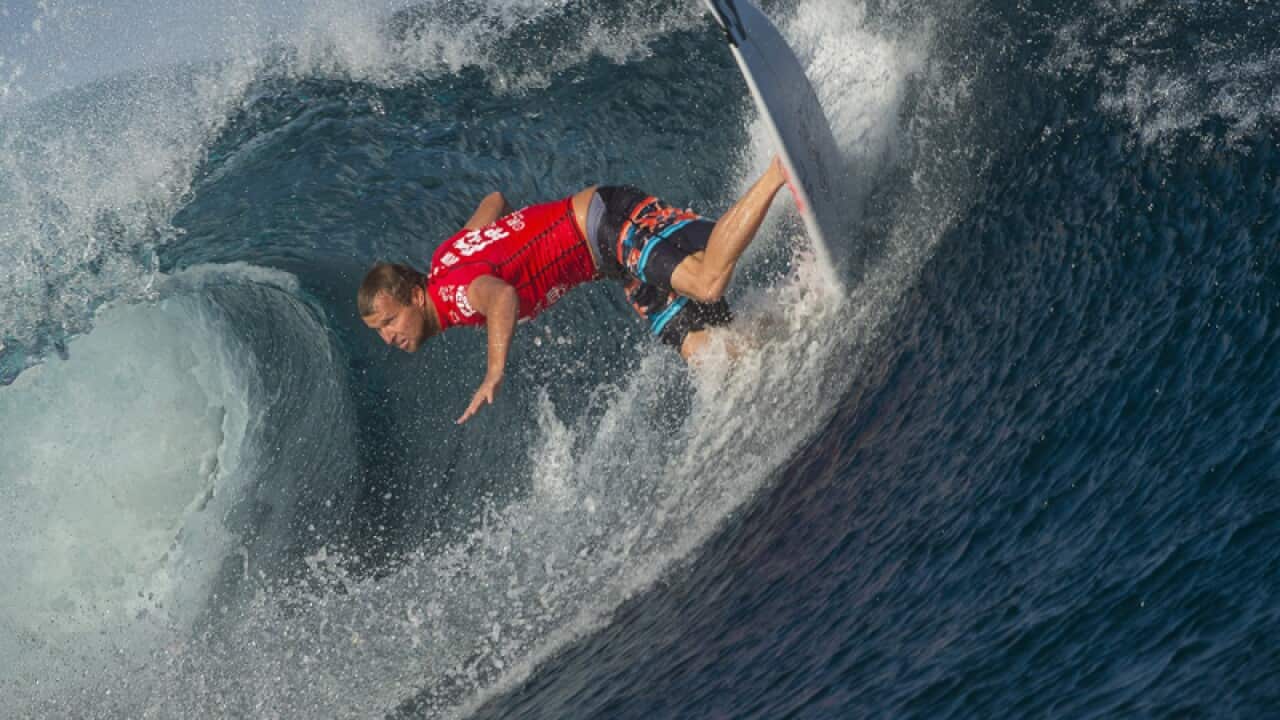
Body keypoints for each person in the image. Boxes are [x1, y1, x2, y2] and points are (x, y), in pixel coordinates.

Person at [359, 156, 790, 424]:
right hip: (608, 252)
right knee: (709, 356)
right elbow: (494, 202)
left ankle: (778, 172)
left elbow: (502, 298)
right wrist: (519, 237)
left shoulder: (452, 295)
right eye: (380, 329)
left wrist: (494, 371)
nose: (389, 335)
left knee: (707, 282)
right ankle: (794, 318)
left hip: (601, 226)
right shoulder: (444, 260)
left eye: (390, 319)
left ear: (416, 296)